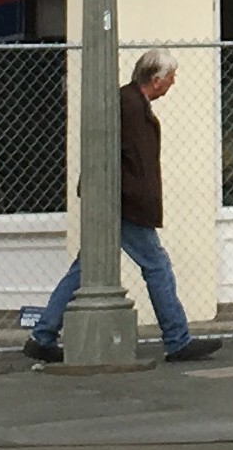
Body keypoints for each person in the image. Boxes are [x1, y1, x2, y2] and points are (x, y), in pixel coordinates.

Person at [27, 50, 221, 362]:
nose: (173, 82)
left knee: (85, 268)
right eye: (171, 77)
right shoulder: (132, 107)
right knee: (156, 266)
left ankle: (43, 334)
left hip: (113, 199)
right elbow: (135, 162)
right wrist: (141, 201)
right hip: (124, 203)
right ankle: (177, 339)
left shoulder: (126, 102)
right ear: (156, 80)